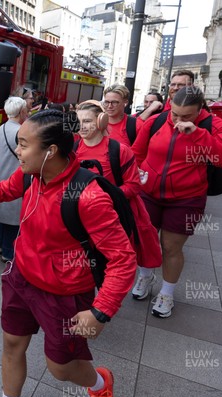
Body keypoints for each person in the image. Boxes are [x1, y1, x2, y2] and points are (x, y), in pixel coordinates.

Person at [0, 109, 136, 397]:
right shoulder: (32, 173)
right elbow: (5, 189)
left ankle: (99, 384)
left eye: (23, 144)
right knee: (12, 344)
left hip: (63, 294)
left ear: (50, 151)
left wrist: (101, 311)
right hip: (21, 278)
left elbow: (123, 259)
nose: (17, 151)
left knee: (60, 369)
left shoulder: (88, 196)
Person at [132, 87, 222, 318]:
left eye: (186, 116)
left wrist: (198, 134)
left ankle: (166, 293)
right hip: (149, 193)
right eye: (175, 114)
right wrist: (138, 176)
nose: (178, 120)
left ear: (200, 110)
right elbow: (137, 153)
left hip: (186, 199)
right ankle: (145, 277)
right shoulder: (157, 121)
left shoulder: (214, 125)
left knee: (171, 247)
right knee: (146, 241)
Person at [74, 100, 162, 300]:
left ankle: (105, 301)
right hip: (81, 216)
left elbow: (133, 186)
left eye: (87, 121)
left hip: (113, 216)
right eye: (79, 121)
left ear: (101, 121)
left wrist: (102, 199)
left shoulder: (119, 150)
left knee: (111, 261)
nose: (82, 126)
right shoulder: (73, 149)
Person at [0, 97, 28, 262]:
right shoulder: (19, 132)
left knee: (2, 214)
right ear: (21, 112)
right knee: (13, 219)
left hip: (1, 174)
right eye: (27, 110)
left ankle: (0, 244)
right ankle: (8, 253)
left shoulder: (2, 128)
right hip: (13, 178)